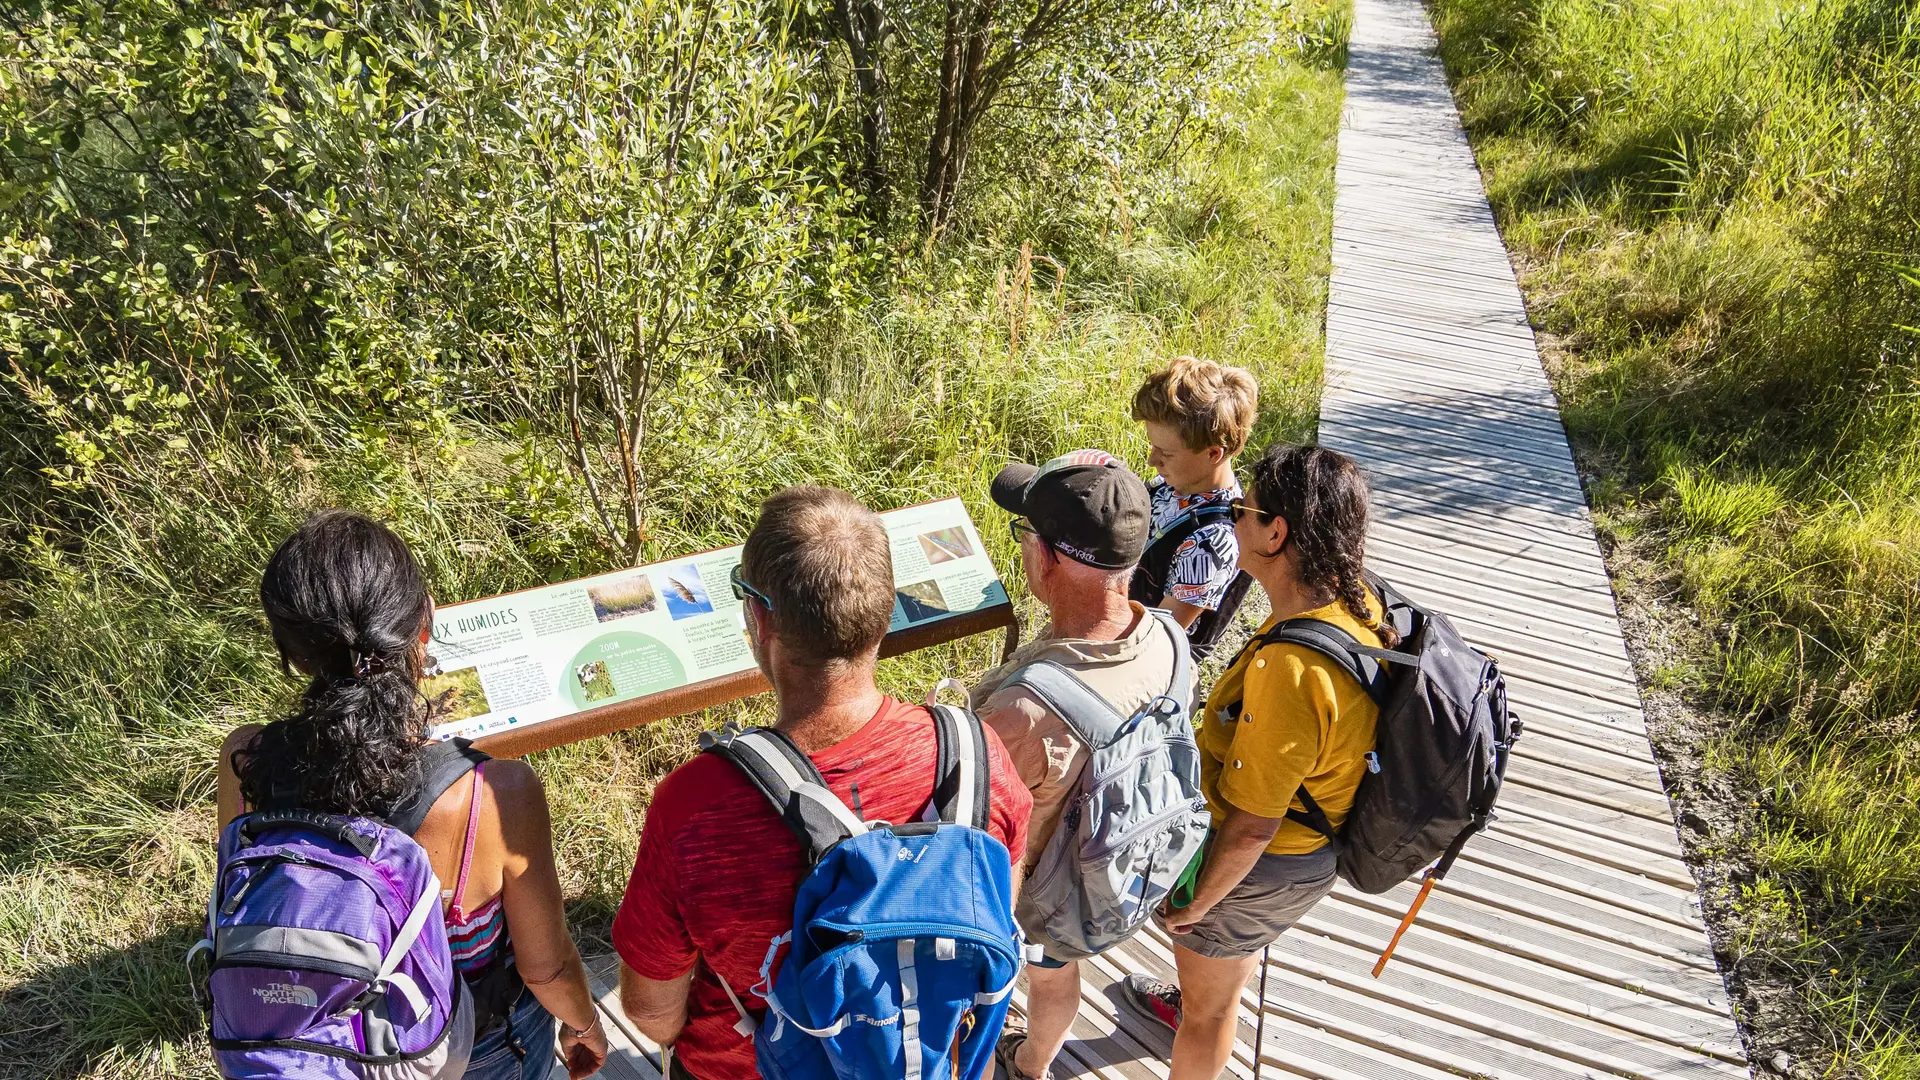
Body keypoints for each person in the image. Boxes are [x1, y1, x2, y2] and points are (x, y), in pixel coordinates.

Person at [612, 486, 1033, 1080]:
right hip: (923, 1060)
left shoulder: (695, 805)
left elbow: (652, 1013)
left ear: (759, 618)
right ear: (887, 612)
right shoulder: (975, 757)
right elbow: (990, 915)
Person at [216, 509, 609, 1080]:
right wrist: (585, 1024)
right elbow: (545, 969)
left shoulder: (247, 762)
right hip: (468, 1048)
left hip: (315, 1045)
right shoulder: (492, 792)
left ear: (287, 652)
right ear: (422, 628)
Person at [1119, 444, 1393, 1080]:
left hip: (1268, 864)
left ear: (1276, 532)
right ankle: (1203, 981)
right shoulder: (1358, 602)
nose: (1232, 520)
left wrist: (1195, 907)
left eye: (1245, 510)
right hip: (1311, 841)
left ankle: (1200, 1003)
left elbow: (1251, 826)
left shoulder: (1293, 672)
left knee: (1211, 1014)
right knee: (1221, 976)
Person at [967, 450, 1181, 1080]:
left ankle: (1007, 1060)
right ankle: (1034, 1064)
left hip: (1032, 894)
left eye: (1024, 534)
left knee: (1023, 974)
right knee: (1057, 974)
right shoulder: (1165, 634)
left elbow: (969, 816)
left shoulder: (1029, 709)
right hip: (1109, 878)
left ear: (1050, 559)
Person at [1128, 356, 1260, 662]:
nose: (1152, 461)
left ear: (1214, 453)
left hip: (1143, 663)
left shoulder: (1210, 542)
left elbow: (1153, 644)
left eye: (1165, 453)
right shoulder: (1177, 485)